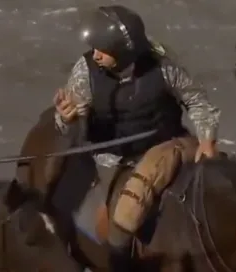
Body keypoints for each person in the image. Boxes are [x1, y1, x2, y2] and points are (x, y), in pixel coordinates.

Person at [52, 5, 221, 271]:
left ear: (123, 51)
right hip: (113, 160)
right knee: (123, 219)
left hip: (169, 147)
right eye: (94, 48)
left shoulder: (163, 66)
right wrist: (67, 117)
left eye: (102, 49)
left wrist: (207, 139)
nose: (94, 54)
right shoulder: (85, 72)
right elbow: (68, 128)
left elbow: (195, 100)